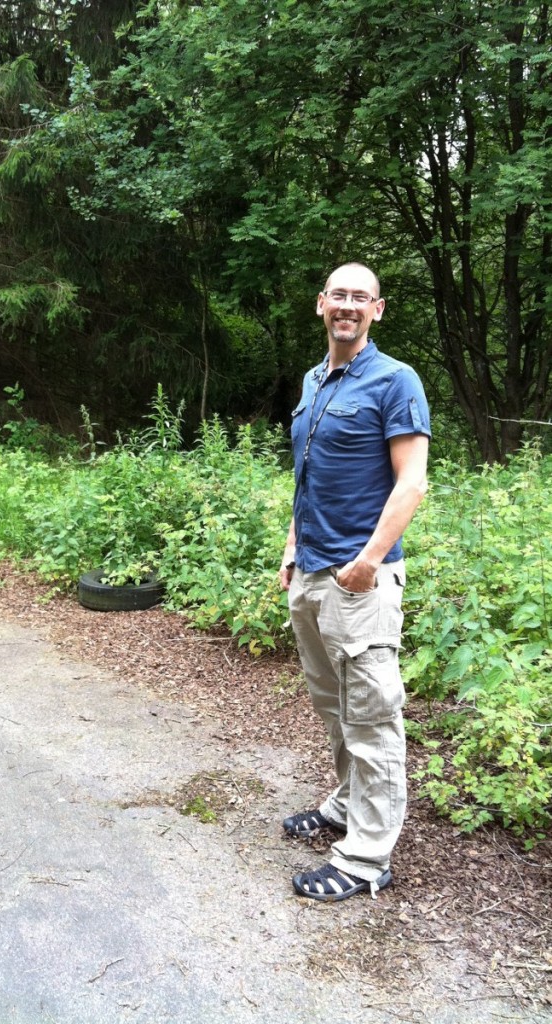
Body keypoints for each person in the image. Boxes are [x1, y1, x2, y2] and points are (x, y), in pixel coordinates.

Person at [279, 262, 430, 902]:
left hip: (360, 581)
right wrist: (291, 550)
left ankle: (367, 858)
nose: (347, 306)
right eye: (338, 295)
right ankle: (345, 804)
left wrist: (368, 561)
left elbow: (412, 482)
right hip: (312, 573)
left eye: (359, 298)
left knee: (371, 716)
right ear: (321, 305)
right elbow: (306, 478)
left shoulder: (396, 381)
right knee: (333, 706)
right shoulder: (316, 380)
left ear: (377, 309)